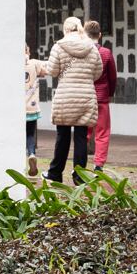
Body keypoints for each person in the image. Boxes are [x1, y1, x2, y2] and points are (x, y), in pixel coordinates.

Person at [41, 16, 103, 183]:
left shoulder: (59, 46)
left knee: (63, 136)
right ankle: (79, 176)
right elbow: (98, 72)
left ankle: (55, 172)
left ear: (66, 29)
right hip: (85, 96)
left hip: (65, 96)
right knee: (81, 136)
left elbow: (53, 71)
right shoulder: (91, 47)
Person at [86, 19, 118, 171]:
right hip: (101, 98)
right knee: (102, 133)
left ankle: (79, 163)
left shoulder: (82, 53)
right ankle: (98, 165)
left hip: (86, 98)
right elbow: (112, 77)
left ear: (85, 35)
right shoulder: (106, 53)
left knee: (83, 133)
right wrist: (110, 93)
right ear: (99, 35)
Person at [23, 43, 43, 177]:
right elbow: (49, 69)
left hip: (16, 108)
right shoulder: (34, 63)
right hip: (31, 106)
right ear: (27, 51)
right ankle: (31, 153)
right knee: (30, 133)